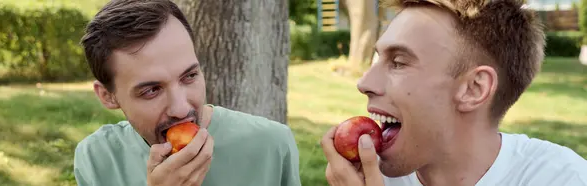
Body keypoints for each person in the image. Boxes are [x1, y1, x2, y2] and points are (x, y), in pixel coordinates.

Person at [320, 0, 587, 185]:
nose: (364, 83)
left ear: (474, 89)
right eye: (377, 58)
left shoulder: (560, 178)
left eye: (399, 62)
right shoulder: (365, 178)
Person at [72, 0, 301, 185]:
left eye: (189, 76)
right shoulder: (97, 159)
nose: (181, 109)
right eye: (152, 90)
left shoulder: (271, 145)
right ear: (107, 96)